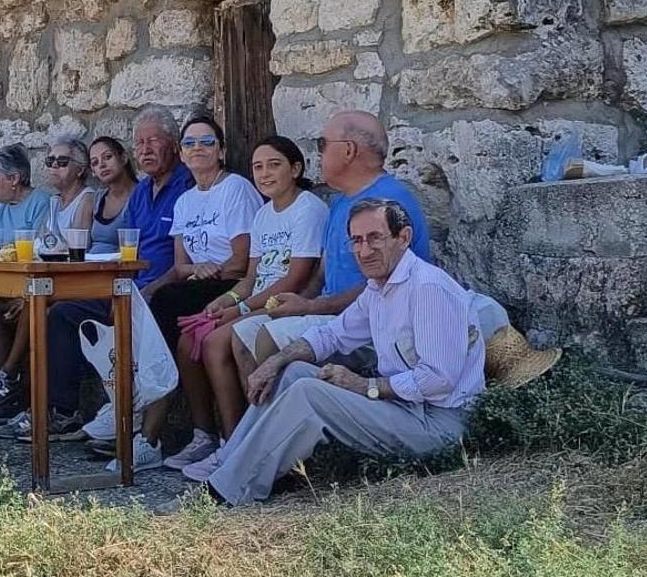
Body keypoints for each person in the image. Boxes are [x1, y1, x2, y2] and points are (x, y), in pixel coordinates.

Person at [187, 199, 484, 506]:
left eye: (375, 238)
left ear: (404, 237)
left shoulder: (427, 289)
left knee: (308, 394)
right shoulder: (379, 288)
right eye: (356, 240)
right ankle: (228, 465)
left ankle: (224, 494)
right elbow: (333, 334)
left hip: (441, 426)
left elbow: (437, 380)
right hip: (407, 409)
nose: (364, 250)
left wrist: (363, 386)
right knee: (293, 372)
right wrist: (277, 360)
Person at [6, 108, 192, 444]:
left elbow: (180, 260)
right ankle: (61, 412)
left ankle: (133, 416)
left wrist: (142, 288)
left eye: (153, 141)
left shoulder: (186, 186)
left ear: (174, 145)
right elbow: (127, 248)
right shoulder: (143, 191)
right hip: (127, 283)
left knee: (136, 310)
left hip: (159, 287)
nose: (146, 149)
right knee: (60, 312)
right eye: (140, 143)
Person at [231, 111, 431, 378]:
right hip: (334, 314)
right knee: (243, 334)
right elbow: (323, 272)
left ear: (348, 151)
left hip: (375, 327)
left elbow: (386, 289)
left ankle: (289, 415)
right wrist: (300, 302)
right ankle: (267, 416)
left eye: (322, 145)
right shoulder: (341, 202)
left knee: (267, 338)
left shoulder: (386, 204)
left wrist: (311, 308)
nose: (319, 155)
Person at [179, 136, 327, 462]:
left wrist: (241, 309)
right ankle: (229, 440)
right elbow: (251, 277)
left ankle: (241, 442)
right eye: (258, 167)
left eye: (274, 165)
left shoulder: (308, 209)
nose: (264, 174)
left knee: (216, 342)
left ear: (296, 168)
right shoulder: (263, 215)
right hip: (259, 299)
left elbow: (296, 278)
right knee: (192, 338)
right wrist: (227, 300)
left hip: (288, 300)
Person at [135, 115, 262, 471]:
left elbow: (241, 261)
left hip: (230, 283)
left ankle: (150, 428)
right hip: (197, 283)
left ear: (221, 150)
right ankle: (199, 434)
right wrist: (147, 290)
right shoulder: (186, 201)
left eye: (207, 142)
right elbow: (181, 266)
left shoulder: (235, 188)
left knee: (167, 308)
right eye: (190, 143)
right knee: (153, 311)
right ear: (181, 152)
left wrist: (210, 269)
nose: (198, 149)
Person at [0, 145, 52, 418]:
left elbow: (40, 249)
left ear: (14, 178)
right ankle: (0, 387)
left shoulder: (41, 202)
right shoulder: (2, 207)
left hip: (32, 284)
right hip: (4, 285)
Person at [87, 137, 138, 254]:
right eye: (95, 162)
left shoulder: (140, 196)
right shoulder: (96, 199)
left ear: (123, 158)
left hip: (120, 268)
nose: (102, 165)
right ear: (93, 172)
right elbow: (80, 241)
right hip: (90, 267)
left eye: (108, 157)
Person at [44, 137, 95, 234]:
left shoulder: (87, 199)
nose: (54, 165)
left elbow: (78, 245)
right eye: (50, 160)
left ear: (79, 170)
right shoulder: (54, 201)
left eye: (62, 161)